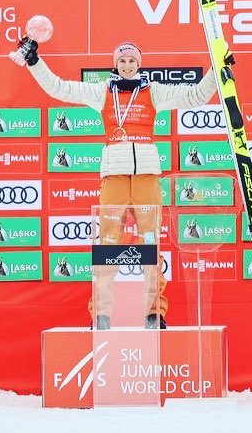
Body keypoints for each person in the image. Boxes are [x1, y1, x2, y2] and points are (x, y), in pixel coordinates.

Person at [16, 38, 217, 329]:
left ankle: (154, 313)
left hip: (147, 175)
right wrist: (35, 63)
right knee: (107, 244)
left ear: (139, 64)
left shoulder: (154, 91)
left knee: (151, 246)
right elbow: (59, 87)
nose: (127, 65)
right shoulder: (102, 91)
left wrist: (216, 71)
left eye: (132, 60)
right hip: (114, 175)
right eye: (122, 60)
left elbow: (197, 96)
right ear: (115, 64)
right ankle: (101, 314)